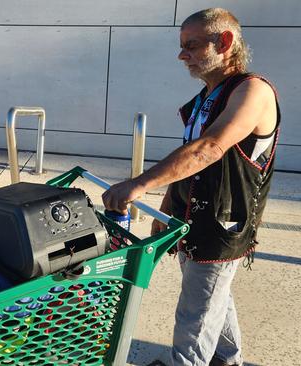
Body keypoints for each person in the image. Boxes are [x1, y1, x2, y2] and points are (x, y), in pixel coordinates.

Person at [102, 8, 280, 366]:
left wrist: (139, 183)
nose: (182, 55)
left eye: (192, 45)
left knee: (194, 315)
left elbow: (209, 148)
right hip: (190, 219)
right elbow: (191, 163)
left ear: (225, 42)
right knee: (213, 298)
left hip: (222, 225)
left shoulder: (252, 91)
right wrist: (167, 208)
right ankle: (227, 359)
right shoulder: (205, 98)